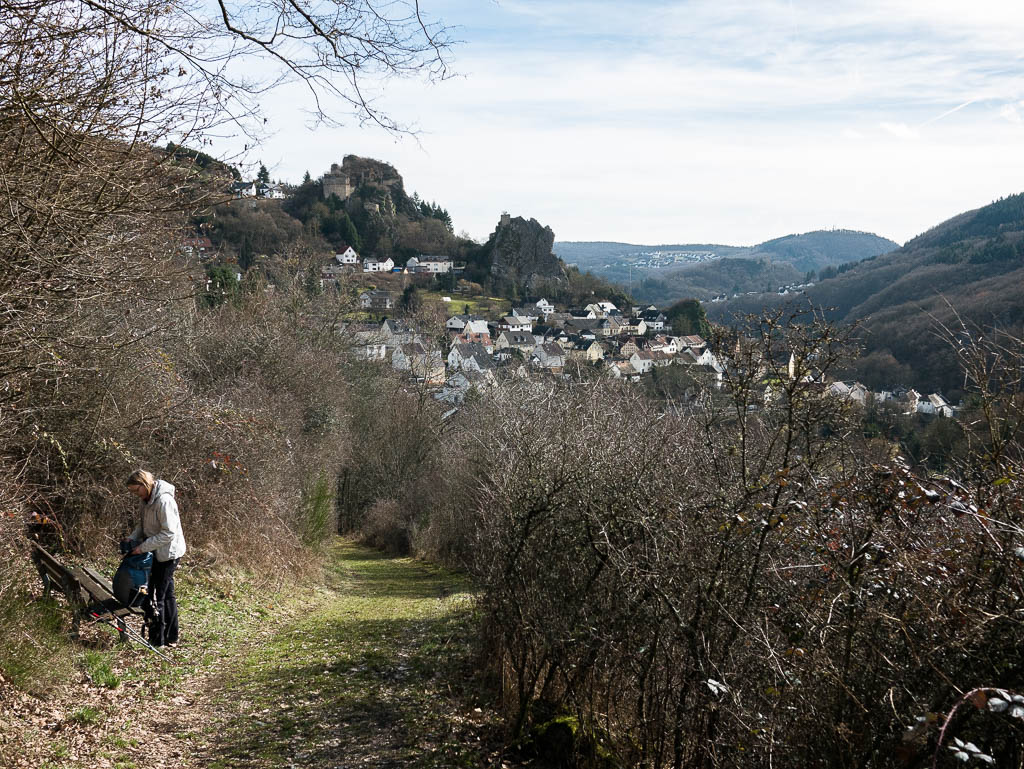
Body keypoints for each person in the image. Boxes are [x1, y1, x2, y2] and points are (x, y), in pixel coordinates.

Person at [125, 469, 186, 648]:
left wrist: (141, 548)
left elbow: (168, 533)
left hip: (168, 553)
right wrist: (132, 538)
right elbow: (143, 525)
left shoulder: (164, 501)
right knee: (166, 594)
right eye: (132, 492)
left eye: (137, 490)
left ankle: (157, 640)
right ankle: (171, 637)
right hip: (155, 551)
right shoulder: (146, 500)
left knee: (156, 595)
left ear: (146, 484)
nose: (136, 495)